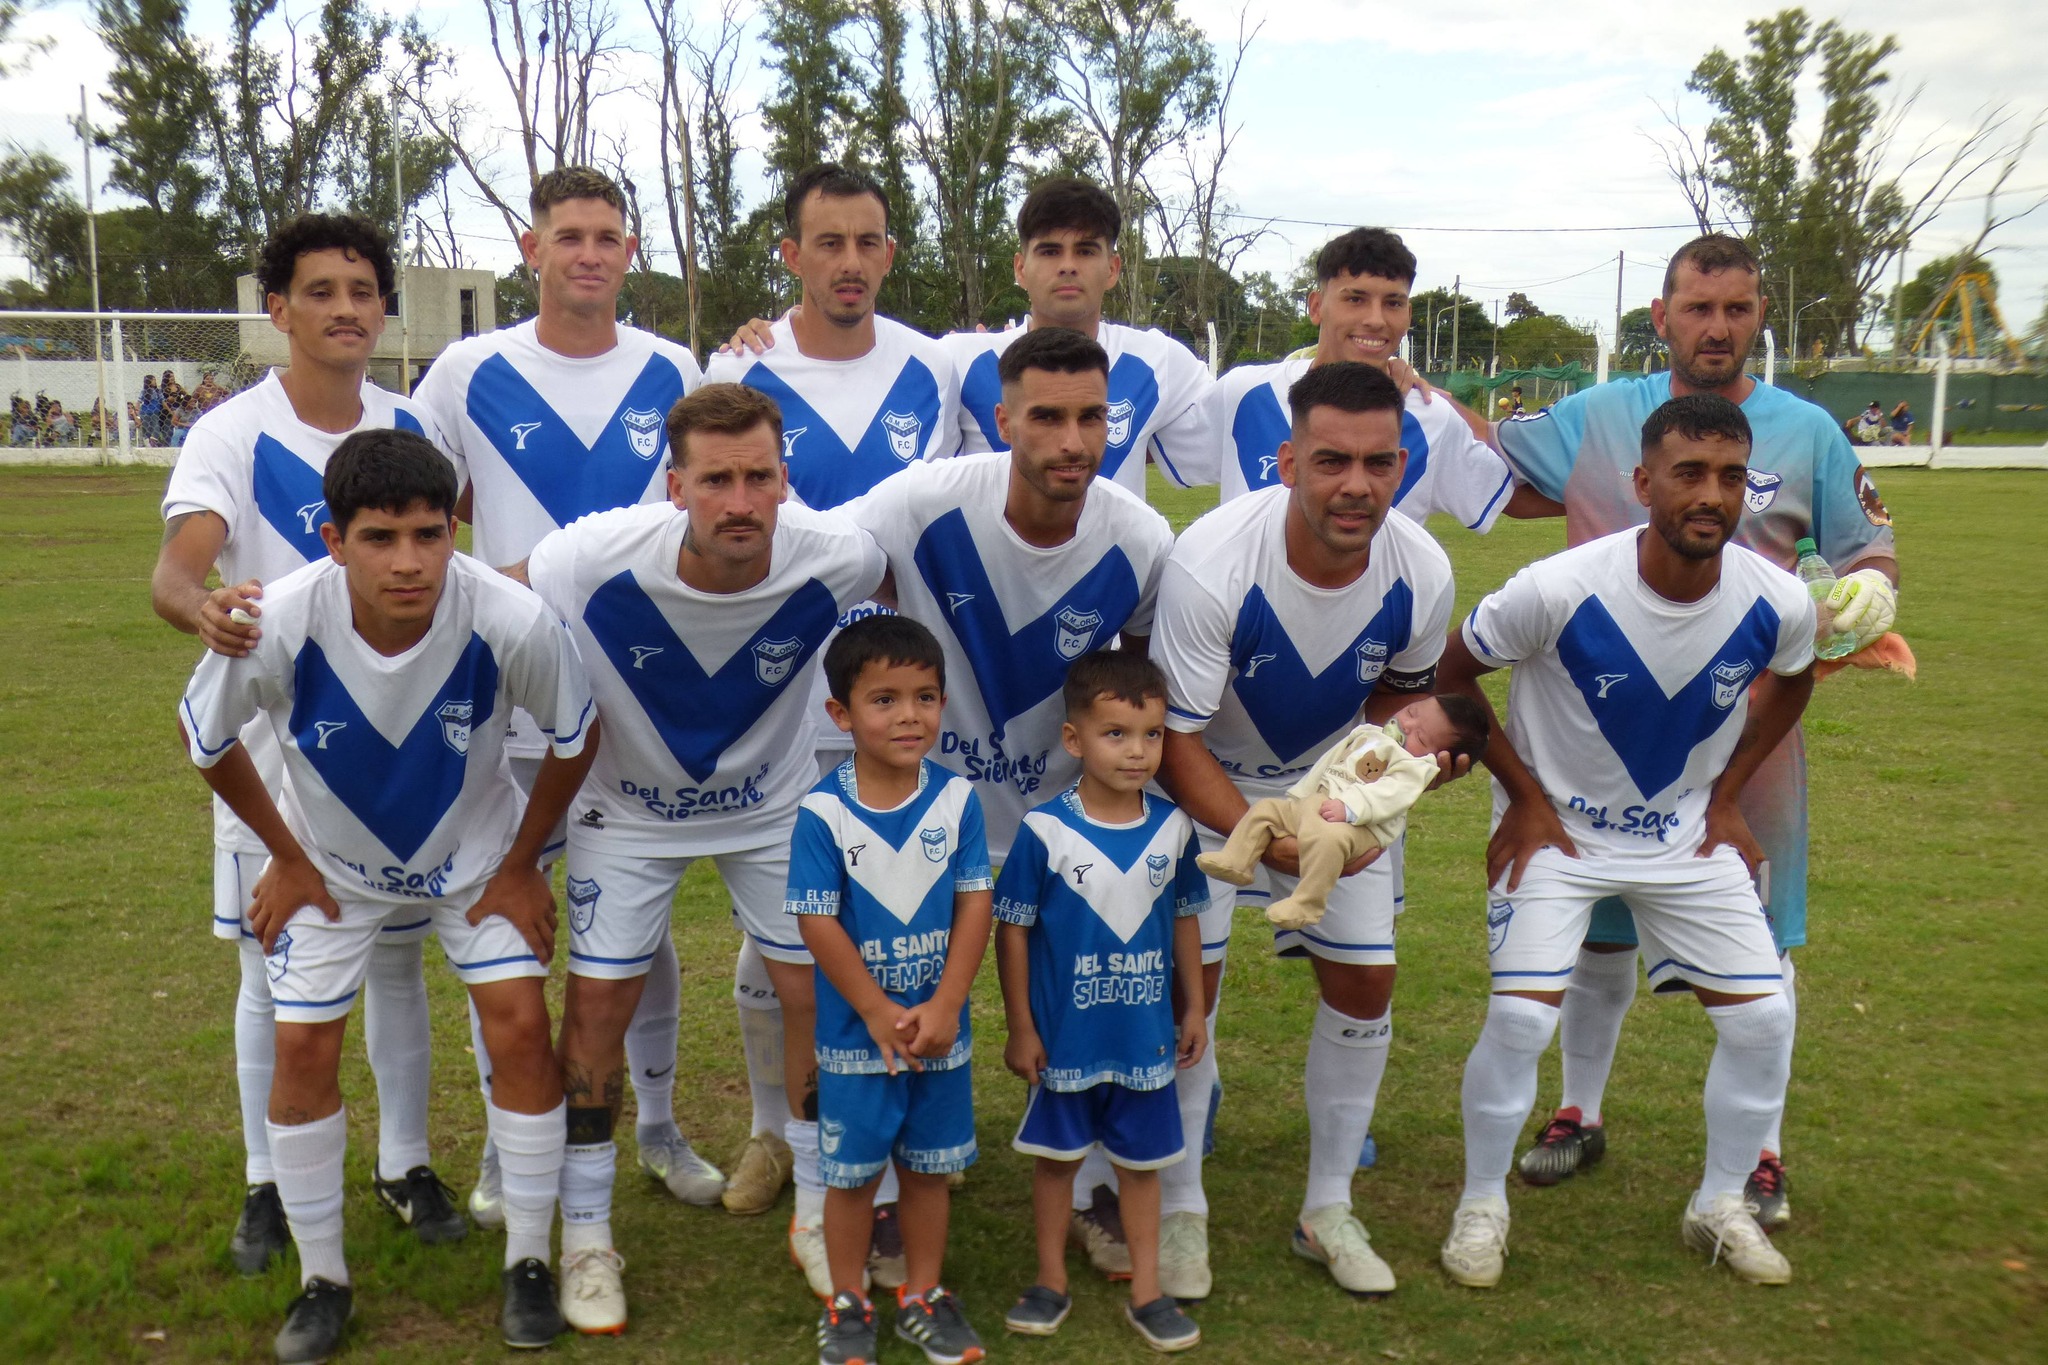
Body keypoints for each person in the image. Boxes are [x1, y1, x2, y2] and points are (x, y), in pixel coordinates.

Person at [1492, 233, 1899, 1226]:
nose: (1717, 327)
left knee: (1762, 933)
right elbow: (1481, 462)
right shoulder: (1595, 417)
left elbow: (1869, 551)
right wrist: (1404, 383)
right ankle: (1578, 1110)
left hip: (1745, 734)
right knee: (1594, 933)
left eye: (1736, 309)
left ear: (1758, 315)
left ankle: (1760, 1155)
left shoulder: (1806, 431)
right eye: (1697, 308)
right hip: (1594, 732)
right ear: (1661, 317)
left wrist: (1861, 601)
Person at [177, 430, 595, 1359]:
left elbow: (575, 735)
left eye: (428, 533)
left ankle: (530, 1258)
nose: (408, 561)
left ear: (453, 531)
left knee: (521, 1025)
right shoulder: (280, 618)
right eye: (379, 537)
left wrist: (522, 863)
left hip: (476, 859)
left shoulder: (511, 617)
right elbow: (205, 738)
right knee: (302, 1047)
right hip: (330, 865)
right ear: (333, 539)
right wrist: (286, 857)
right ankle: (322, 1278)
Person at [516, 383, 887, 1331]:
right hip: (626, 812)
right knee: (596, 1007)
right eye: (715, 480)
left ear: (786, 479)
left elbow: (921, 593)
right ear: (674, 487)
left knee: (817, 993)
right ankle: (586, 1235)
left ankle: (818, 1208)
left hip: (771, 809)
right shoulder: (587, 559)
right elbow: (488, 602)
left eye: (759, 477)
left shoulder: (840, 556)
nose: (740, 501)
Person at [1435, 393, 1815, 1289]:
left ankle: (1719, 1202)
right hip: (1558, 837)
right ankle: (1480, 1204)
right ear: (1644, 483)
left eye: (1731, 477)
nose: (1711, 495)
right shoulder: (1556, 588)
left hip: (1685, 840)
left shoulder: (1778, 600)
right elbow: (1453, 675)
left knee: (1764, 1019)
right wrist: (1524, 797)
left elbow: (1795, 679)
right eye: (1689, 474)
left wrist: (1727, 796)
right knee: (1521, 1018)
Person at [150, 211, 459, 1278]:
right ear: (276, 309)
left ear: (384, 307)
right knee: (270, 968)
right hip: (274, 758)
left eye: (362, 290)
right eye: (320, 291)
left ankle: (405, 1163)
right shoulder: (232, 432)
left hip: (397, 745)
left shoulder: (412, 423)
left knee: (398, 961)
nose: (344, 309)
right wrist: (202, 607)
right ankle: (266, 1180)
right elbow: (178, 568)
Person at [413, 164, 721, 1228]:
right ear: (531, 248)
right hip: (508, 696)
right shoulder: (466, 371)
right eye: (570, 235)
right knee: (500, 908)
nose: (589, 252)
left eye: (607, 236)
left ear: (628, 251)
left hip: (639, 688)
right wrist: (506, 585)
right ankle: (511, 1141)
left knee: (639, 917)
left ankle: (659, 1127)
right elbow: (430, 505)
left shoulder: (672, 367)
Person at [1151, 361, 1463, 1300]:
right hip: (1206, 789)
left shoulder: (1423, 571)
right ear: (1288, 462)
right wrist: (1270, 837)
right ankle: (1181, 1207)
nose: (1356, 485)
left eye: (1379, 463)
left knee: (1367, 979)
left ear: (1403, 465)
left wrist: (1361, 804)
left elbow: (1398, 703)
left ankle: (1327, 1206)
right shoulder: (1211, 561)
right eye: (1331, 461)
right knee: (1190, 991)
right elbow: (1176, 739)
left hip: (1332, 802)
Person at [703, 161, 963, 1270]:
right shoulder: (741, 366)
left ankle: (893, 1130)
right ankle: (779, 1130)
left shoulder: (935, 366)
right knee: (781, 935)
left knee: (896, 921)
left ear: (890, 254)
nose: (849, 263)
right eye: (828, 242)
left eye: (868, 242)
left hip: (895, 694)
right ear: (792, 254)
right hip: (779, 689)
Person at [788, 615, 995, 1365]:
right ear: (840, 714)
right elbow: (816, 921)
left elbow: (976, 902)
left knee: (930, 1169)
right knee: (851, 1179)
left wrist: (946, 1004)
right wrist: (876, 1011)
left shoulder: (958, 800)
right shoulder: (822, 813)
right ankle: (848, 1302)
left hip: (938, 1032)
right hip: (859, 1038)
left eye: (925, 697)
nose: (909, 715)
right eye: (885, 699)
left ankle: (923, 1293)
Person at [993, 650, 1207, 1353]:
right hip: (1065, 1040)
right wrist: (1021, 1026)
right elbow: (1012, 929)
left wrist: (1193, 1007)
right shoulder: (1044, 831)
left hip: (1143, 1037)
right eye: (1116, 733)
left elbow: (1186, 918)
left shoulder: (1174, 829)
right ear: (1074, 738)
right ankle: (1049, 1280)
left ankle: (1148, 1291)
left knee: (1142, 1168)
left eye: (1152, 734)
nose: (1137, 751)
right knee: (1056, 1161)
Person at [1206, 228, 1547, 526]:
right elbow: (1171, 450)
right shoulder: (1245, 394)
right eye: (1355, 298)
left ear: (1408, 314)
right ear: (1316, 306)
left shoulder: (1431, 417)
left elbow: (1510, 500)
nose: (1376, 319)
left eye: (1393, 303)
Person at [947, 176, 1214, 501]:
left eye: (1085, 251)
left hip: (1115, 537)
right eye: (1050, 251)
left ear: (1112, 268)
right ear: (1020, 268)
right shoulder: (958, 361)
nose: (1068, 266)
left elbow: (1231, 437)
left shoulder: (1160, 361)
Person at [1197, 695, 1488, 930]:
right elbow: (1330, 761)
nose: (1406, 726)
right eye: (1411, 712)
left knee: (1328, 843)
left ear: (1435, 758)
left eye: (1421, 738)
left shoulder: (1414, 767)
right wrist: (1302, 795)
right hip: (1318, 803)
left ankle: (1307, 903)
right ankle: (1236, 860)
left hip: (1360, 825)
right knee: (1266, 810)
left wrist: (1349, 809)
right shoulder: (1369, 733)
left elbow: (1389, 795)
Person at [140, 374, 165, 444]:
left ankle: (153, 439)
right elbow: (139, 401)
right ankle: (148, 441)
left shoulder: (158, 391)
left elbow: (163, 401)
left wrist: (169, 410)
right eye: (153, 380)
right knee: (147, 427)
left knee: (156, 426)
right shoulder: (144, 391)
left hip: (155, 411)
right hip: (145, 412)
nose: (155, 381)